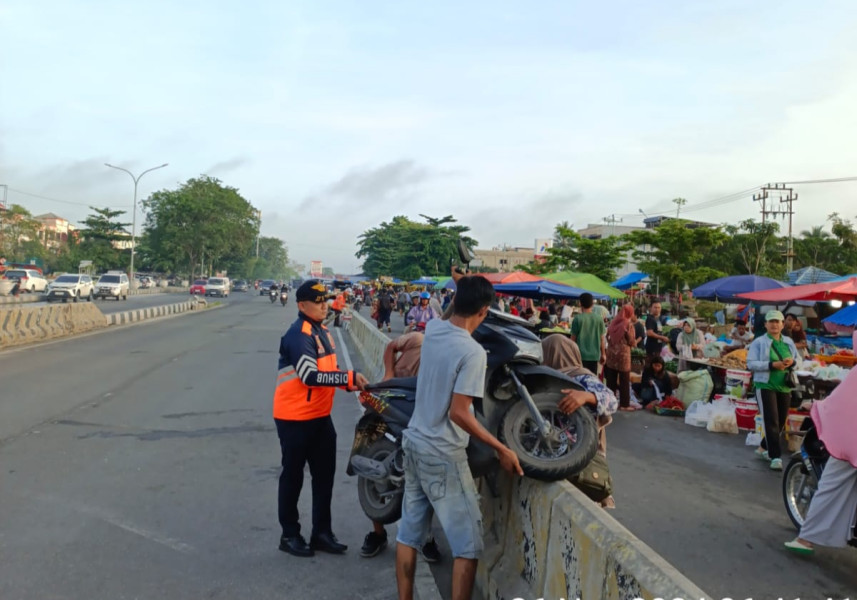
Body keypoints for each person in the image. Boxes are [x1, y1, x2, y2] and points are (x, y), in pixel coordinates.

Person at [395, 276, 523, 600]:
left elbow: (454, 310)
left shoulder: (435, 330)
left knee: (408, 535)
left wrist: (459, 283)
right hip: (443, 456)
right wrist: (502, 448)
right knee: (467, 546)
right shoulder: (473, 352)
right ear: (484, 310)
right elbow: (460, 413)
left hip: (413, 444)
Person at [273, 280, 369, 557]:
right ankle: (289, 535)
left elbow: (331, 370)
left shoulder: (323, 330)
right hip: (294, 418)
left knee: (324, 476)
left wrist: (350, 384)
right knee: (293, 477)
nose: (324, 305)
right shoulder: (298, 334)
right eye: (318, 301)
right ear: (301, 305)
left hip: (319, 417)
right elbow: (310, 376)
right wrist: (348, 377)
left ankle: (321, 533)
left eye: (326, 300)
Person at [360, 331, 443, 562]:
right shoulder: (419, 338)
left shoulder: (451, 353)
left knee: (424, 478)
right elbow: (390, 347)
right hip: (387, 399)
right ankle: (377, 534)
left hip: (416, 412)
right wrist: (388, 374)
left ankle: (426, 539)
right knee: (371, 465)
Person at [784, 367, 857, 555]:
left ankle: (805, 539)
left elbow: (837, 404)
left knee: (831, 483)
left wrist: (817, 405)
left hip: (851, 444)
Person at [541, 335, 619, 507]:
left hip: (581, 451)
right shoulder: (549, 378)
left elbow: (612, 401)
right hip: (559, 451)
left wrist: (586, 396)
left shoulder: (582, 377)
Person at [746, 310, 801, 471]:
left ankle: (763, 447)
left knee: (781, 421)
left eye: (777, 321)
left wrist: (792, 362)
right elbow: (751, 363)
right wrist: (771, 365)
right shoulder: (759, 342)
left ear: (783, 324)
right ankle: (775, 456)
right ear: (765, 324)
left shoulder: (789, 342)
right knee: (771, 421)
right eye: (771, 321)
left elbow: (799, 361)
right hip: (765, 385)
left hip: (784, 386)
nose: (774, 324)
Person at [604, 304, 637, 411]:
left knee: (611, 380)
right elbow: (631, 341)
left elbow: (607, 337)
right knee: (624, 380)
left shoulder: (613, 323)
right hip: (623, 356)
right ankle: (624, 404)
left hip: (611, 355)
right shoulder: (628, 325)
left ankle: (610, 403)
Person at [570, 293, 606, 375]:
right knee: (591, 380)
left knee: (580, 380)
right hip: (594, 356)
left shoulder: (577, 319)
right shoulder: (599, 319)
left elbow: (572, 340)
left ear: (580, 303)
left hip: (580, 357)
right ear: (592, 304)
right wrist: (603, 354)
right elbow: (602, 339)